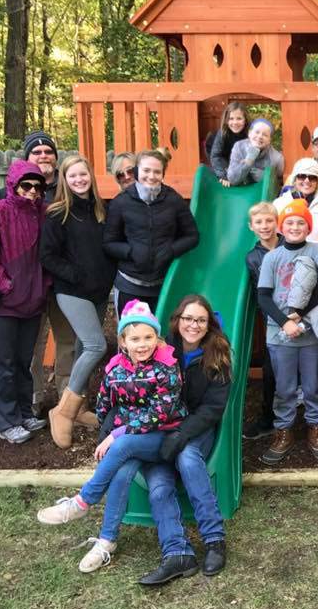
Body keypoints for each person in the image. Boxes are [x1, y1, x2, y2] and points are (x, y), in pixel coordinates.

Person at [35, 300, 188, 573]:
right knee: (120, 471)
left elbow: (159, 414)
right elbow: (105, 407)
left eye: (148, 337)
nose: (142, 344)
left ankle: (82, 502)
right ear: (123, 341)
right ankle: (107, 541)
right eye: (135, 338)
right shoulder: (115, 370)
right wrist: (108, 434)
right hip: (128, 442)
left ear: (157, 337)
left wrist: (116, 434)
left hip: (164, 436)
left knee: (124, 444)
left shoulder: (167, 367)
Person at [131, 295, 232, 585]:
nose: (193, 325)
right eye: (188, 318)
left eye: (200, 320)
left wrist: (181, 434)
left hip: (196, 431)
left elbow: (212, 409)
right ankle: (177, 553)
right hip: (160, 429)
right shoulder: (161, 349)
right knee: (159, 481)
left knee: (187, 457)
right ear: (178, 320)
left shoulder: (217, 356)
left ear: (208, 324)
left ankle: (214, 539)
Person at [0, 129, 75, 415]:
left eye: (48, 151)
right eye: (37, 152)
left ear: (56, 157)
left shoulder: (67, 187)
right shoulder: (9, 192)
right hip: (28, 283)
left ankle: (67, 400)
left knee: (67, 339)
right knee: (30, 343)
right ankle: (32, 398)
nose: (44, 156)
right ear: (27, 158)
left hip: (62, 280)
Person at [40, 156, 116, 448]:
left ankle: (81, 409)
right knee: (96, 345)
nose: (79, 180)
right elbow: (47, 256)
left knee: (86, 347)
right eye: (72, 176)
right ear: (64, 180)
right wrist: (77, 275)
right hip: (72, 291)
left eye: (83, 174)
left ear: (91, 177)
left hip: (98, 291)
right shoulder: (57, 213)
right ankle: (63, 411)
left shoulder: (101, 211)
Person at [0, 161, 51, 444]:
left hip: (32, 303)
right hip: (1, 305)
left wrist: (42, 287)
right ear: (14, 185)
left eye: (37, 186)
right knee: (4, 362)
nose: (32, 191)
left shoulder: (44, 214)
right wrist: (6, 285)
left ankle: (23, 411)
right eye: (26, 185)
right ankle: (7, 422)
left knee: (23, 361)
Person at [257, 199, 318, 466]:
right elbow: (263, 297)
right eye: (289, 222)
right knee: (285, 386)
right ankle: (284, 430)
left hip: (311, 332)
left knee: (313, 385)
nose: (294, 226)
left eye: (300, 222)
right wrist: (284, 322)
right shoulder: (272, 257)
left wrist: (300, 315)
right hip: (279, 334)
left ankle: (316, 427)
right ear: (282, 226)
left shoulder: (315, 250)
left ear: (308, 226)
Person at [103, 149, 199, 314]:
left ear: (163, 174)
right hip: (129, 284)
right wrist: (131, 252)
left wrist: (171, 250)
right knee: (131, 337)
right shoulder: (121, 202)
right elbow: (109, 243)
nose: (151, 176)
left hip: (163, 285)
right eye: (146, 170)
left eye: (157, 171)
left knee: (160, 337)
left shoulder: (173, 200)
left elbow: (192, 236)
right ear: (137, 171)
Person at [242, 202, 282, 441]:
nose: (265, 226)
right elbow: (261, 293)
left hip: (301, 316)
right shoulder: (253, 257)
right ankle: (267, 418)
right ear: (251, 226)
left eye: (269, 221)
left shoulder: (291, 244)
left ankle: (317, 420)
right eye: (259, 222)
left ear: (276, 222)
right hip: (273, 321)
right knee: (270, 371)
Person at [273, 157, 318, 246]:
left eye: (312, 177)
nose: (307, 181)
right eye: (302, 176)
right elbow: (273, 234)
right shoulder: (280, 203)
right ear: (294, 180)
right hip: (290, 257)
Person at [225, 117, 284, 186]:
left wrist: (263, 176)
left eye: (265, 135)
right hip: (239, 191)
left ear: (269, 140)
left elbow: (280, 182)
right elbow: (232, 179)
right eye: (257, 132)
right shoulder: (239, 147)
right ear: (249, 133)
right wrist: (248, 162)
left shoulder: (276, 158)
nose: (260, 136)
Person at [209, 101, 250, 185]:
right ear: (226, 120)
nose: (235, 122)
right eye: (231, 119)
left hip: (239, 158)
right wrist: (223, 175)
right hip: (223, 156)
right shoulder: (222, 133)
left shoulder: (250, 134)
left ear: (245, 120)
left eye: (239, 118)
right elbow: (216, 156)